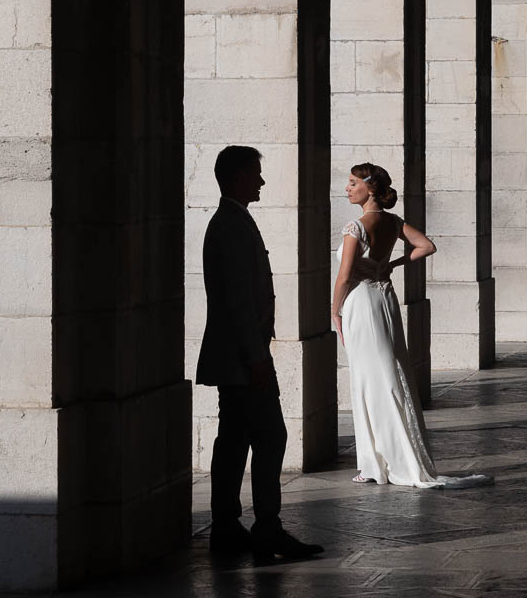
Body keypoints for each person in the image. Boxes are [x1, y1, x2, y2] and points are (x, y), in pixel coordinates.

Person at [196, 145, 324, 557]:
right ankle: (264, 526)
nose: (262, 181)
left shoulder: (232, 220)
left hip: (236, 355)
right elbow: (238, 301)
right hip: (241, 358)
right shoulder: (230, 224)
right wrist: (256, 358)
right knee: (270, 436)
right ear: (236, 178)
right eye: (256, 173)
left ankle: (227, 526)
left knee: (233, 439)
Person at [332, 162, 491, 489]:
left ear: (370, 188)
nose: (347, 188)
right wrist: (393, 263)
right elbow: (427, 246)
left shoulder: (355, 228)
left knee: (368, 380)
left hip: (362, 303)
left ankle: (376, 464)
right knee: (390, 375)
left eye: (352, 183)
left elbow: (345, 277)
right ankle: (383, 460)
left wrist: (334, 312)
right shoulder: (392, 222)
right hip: (385, 300)